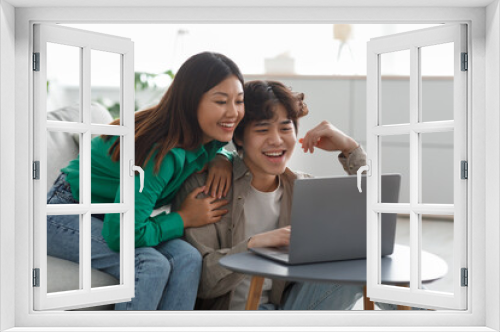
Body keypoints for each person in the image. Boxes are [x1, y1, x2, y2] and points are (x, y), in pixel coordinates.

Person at [46, 52, 244, 310]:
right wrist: (183, 218)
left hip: (107, 215)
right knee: (151, 264)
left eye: (239, 101)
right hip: (65, 212)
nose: (233, 112)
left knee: (188, 258)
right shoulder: (160, 152)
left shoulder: (210, 137)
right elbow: (121, 234)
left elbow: (224, 148)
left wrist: (222, 157)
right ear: (190, 102)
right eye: (221, 101)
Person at [171, 80, 367, 310]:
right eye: (263, 129)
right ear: (240, 137)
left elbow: (374, 223)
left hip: (284, 312)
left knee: (365, 260)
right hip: (225, 319)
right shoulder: (206, 188)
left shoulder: (303, 188)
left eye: (285, 128)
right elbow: (201, 282)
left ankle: (418, 316)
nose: (276, 139)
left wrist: (351, 149)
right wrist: (254, 245)